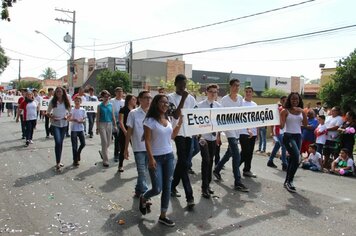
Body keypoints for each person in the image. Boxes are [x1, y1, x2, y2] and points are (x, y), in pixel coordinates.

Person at [139, 94, 182, 227]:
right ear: (156, 103)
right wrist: (151, 158)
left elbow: (171, 137)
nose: (165, 104)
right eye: (162, 102)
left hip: (169, 156)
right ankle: (144, 197)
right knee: (157, 188)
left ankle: (163, 216)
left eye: (167, 103)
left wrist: (179, 124)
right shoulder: (149, 121)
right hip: (155, 158)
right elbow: (147, 140)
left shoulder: (167, 118)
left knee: (167, 187)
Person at [213, 78, 249, 192]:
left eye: (238, 86)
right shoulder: (224, 100)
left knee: (229, 153)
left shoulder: (240, 99)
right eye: (234, 85)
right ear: (230, 86)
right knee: (236, 153)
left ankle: (217, 169)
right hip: (228, 129)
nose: (237, 88)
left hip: (237, 129)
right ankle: (237, 181)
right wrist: (218, 135)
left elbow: (242, 114)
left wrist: (248, 128)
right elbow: (219, 117)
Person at [168, 74, 197, 208]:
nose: (183, 87)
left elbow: (196, 115)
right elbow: (175, 114)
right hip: (177, 132)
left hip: (189, 134)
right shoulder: (170, 98)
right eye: (181, 84)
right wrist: (183, 99)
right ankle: (189, 196)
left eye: (185, 84)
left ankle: (172, 186)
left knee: (182, 162)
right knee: (184, 163)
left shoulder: (191, 98)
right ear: (176, 84)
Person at [124, 91, 152, 197]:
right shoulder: (133, 113)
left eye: (150, 98)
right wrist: (126, 148)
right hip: (138, 148)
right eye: (146, 98)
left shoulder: (153, 113)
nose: (148, 100)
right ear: (139, 99)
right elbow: (129, 132)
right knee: (142, 171)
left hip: (151, 148)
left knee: (145, 171)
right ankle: (145, 196)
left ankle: (138, 189)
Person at [196, 84, 222, 198]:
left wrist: (218, 136)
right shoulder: (200, 106)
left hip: (213, 138)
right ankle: (204, 187)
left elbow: (219, 122)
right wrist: (199, 136)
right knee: (206, 160)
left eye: (215, 92)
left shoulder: (219, 106)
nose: (213, 93)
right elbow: (195, 122)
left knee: (211, 161)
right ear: (207, 92)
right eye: (211, 91)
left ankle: (208, 185)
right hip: (203, 138)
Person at [280, 92, 307, 193]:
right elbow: (282, 126)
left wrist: (303, 112)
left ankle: (287, 181)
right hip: (288, 136)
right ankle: (290, 181)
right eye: (292, 99)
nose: (295, 101)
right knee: (297, 158)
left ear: (299, 100)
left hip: (298, 136)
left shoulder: (301, 111)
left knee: (293, 159)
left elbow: (305, 124)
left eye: (296, 99)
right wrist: (278, 121)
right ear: (289, 100)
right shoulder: (285, 111)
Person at [47, 87, 71, 171]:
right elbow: (48, 112)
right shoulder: (53, 101)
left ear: (63, 92)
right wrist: (52, 116)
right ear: (55, 93)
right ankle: (57, 163)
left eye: (60, 91)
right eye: (57, 92)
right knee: (57, 142)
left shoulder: (66, 101)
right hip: (55, 124)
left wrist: (66, 116)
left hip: (64, 124)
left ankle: (59, 161)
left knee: (60, 142)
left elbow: (70, 113)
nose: (58, 93)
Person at [239, 86, 258, 178]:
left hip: (253, 132)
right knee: (245, 151)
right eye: (246, 91)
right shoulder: (241, 103)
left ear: (252, 93)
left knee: (250, 153)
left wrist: (256, 132)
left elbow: (256, 119)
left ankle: (247, 170)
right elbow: (241, 118)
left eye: (250, 91)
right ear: (244, 92)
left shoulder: (254, 104)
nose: (248, 93)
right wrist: (247, 129)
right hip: (243, 132)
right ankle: (236, 166)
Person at [96, 90, 117, 167]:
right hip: (102, 124)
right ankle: (105, 160)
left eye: (108, 96)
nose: (107, 97)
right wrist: (97, 128)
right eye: (105, 96)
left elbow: (113, 116)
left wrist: (115, 125)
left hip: (109, 124)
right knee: (104, 142)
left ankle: (102, 152)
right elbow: (97, 117)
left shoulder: (111, 105)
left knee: (109, 142)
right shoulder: (99, 106)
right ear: (102, 97)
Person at [267, 96, 288, 170]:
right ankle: (284, 164)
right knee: (284, 146)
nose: (285, 101)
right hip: (279, 130)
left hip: (284, 130)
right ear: (281, 101)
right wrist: (272, 131)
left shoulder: (287, 109)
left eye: (286, 100)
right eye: (283, 100)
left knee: (277, 146)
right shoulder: (280, 109)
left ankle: (270, 160)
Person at [117, 94, 137, 172]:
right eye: (133, 99)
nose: (135, 101)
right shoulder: (123, 109)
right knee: (123, 149)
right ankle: (120, 165)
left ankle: (139, 163)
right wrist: (125, 131)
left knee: (136, 148)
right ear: (129, 101)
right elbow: (121, 122)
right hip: (124, 132)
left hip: (134, 133)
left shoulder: (136, 110)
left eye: (135, 99)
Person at [68, 96, 86, 166]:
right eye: (76, 101)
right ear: (74, 102)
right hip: (74, 129)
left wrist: (82, 121)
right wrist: (74, 119)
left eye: (78, 101)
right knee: (74, 145)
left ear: (80, 102)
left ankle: (78, 153)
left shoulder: (83, 110)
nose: (77, 102)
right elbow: (68, 119)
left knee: (83, 143)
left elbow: (84, 119)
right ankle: (75, 160)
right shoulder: (72, 110)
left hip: (81, 129)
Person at [110, 87, 125, 162]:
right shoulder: (112, 101)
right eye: (118, 92)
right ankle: (116, 155)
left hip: (122, 122)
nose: (120, 93)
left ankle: (120, 153)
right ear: (115, 93)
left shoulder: (124, 102)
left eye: (121, 92)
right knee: (117, 139)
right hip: (114, 122)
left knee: (120, 139)